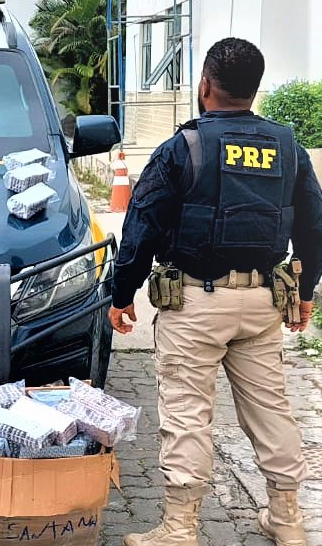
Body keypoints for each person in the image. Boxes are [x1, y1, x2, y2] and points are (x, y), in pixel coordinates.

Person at [108, 37, 322, 546]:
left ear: (205, 86)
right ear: (255, 89)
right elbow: (314, 227)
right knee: (271, 410)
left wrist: (122, 295)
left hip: (195, 305)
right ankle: (287, 520)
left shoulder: (183, 147)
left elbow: (141, 227)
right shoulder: (288, 148)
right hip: (264, 303)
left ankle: (180, 528)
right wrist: (306, 291)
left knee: (186, 414)